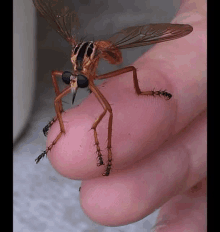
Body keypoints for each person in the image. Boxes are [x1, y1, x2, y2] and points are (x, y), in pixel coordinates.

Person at [47, 0, 207, 229]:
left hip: (108, 50)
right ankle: (64, 126)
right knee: (60, 95)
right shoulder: (75, 69)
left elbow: (110, 105)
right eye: (72, 80)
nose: (74, 84)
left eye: (78, 81)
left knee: (109, 107)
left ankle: (109, 148)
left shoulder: (97, 62)